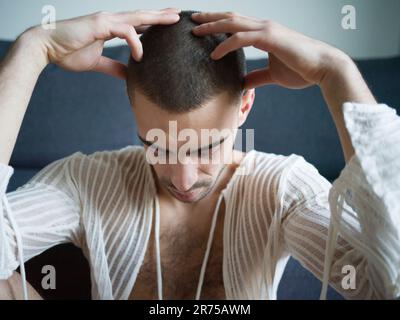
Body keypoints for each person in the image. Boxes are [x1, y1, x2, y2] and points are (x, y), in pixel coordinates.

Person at [0, 8, 399, 300]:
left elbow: (386, 285)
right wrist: (34, 48)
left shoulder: (281, 188)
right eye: (157, 146)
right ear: (132, 106)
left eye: (208, 148)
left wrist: (335, 72)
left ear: (244, 108)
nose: (183, 179)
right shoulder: (88, 181)